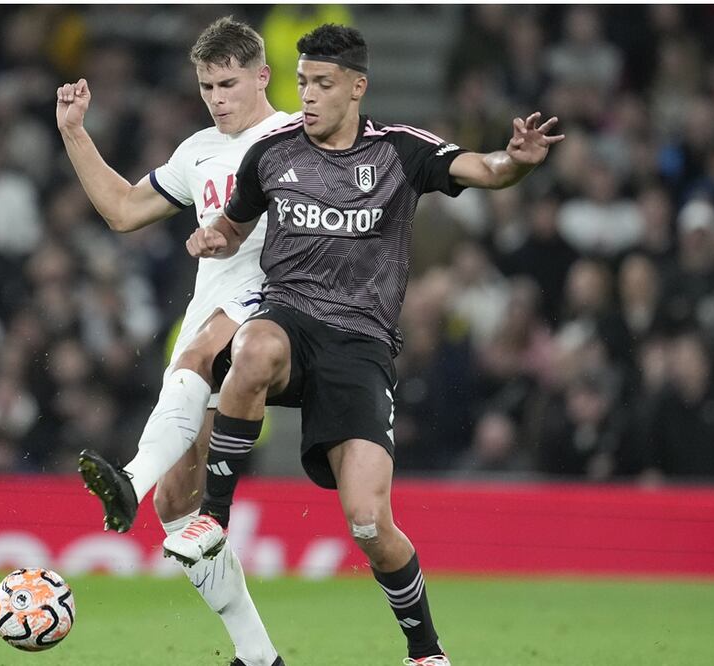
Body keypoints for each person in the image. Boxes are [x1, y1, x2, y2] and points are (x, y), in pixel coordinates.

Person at [165, 24, 564, 666]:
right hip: (290, 321)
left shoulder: (400, 152)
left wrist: (514, 160)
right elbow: (233, 226)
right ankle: (214, 516)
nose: (310, 96)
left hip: (362, 348)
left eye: (323, 84)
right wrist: (213, 237)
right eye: (303, 83)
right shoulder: (270, 155)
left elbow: (483, 169)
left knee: (370, 523)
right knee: (253, 346)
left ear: (357, 87)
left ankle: (426, 651)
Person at [56, 16, 293, 666]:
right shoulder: (197, 151)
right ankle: (259, 656)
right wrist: (76, 136)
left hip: (276, 301)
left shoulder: (295, 137)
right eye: (206, 85)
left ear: (261, 76)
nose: (217, 97)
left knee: (194, 356)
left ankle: (128, 476)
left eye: (227, 82)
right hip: (209, 304)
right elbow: (125, 211)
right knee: (177, 504)